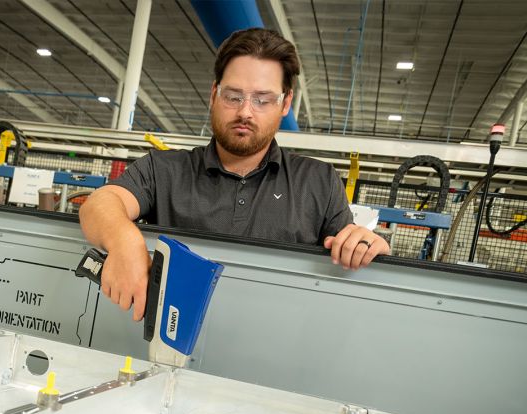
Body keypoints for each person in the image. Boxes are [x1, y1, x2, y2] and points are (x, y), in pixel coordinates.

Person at [79, 27, 390, 321]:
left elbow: (350, 255)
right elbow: (99, 204)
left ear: (285, 104)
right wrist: (124, 240)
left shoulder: (318, 181)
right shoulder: (163, 169)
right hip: (169, 339)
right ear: (214, 94)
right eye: (233, 96)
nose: (245, 112)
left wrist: (366, 246)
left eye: (262, 100)